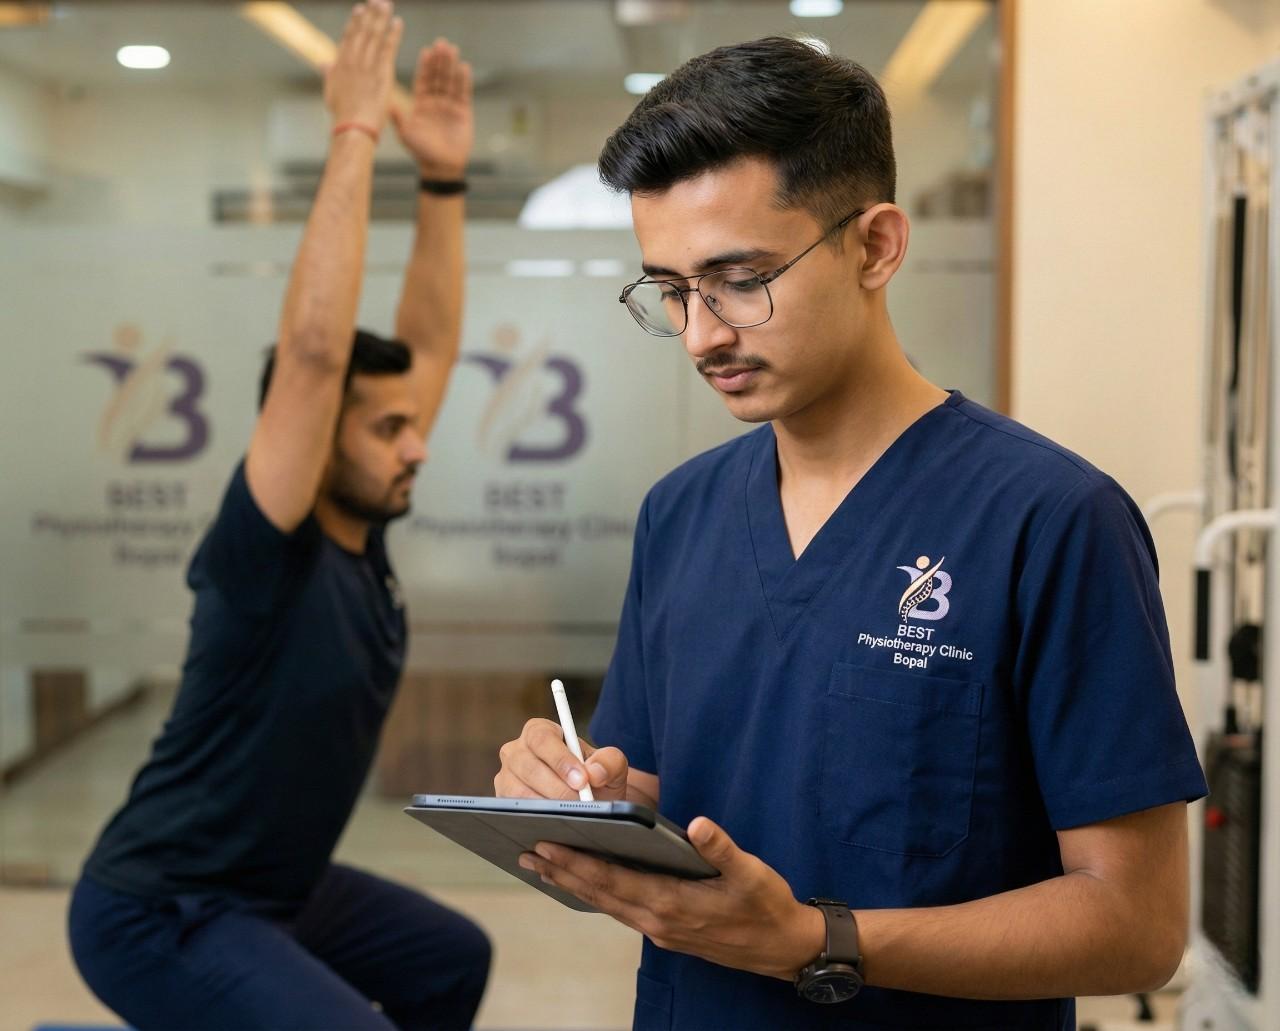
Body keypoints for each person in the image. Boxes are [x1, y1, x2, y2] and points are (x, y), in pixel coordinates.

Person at [495, 36, 1208, 1031]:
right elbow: (663, 800)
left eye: (740, 279)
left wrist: (816, 940)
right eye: (669, 290)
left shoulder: (1046, 520)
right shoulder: (680, 513)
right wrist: (576, 802)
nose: (700, 333)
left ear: (873, 245)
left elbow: (1133, 922)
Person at [68, 4, 488, 1028]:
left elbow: (426, 346)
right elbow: (310, 357)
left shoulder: (363, 529)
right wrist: (353, 132)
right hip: (160, 905)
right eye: (388, 427)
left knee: (449, 958)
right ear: (315, 436)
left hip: (278, 890)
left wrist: (439, 180)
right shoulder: (267, 549)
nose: (418, 441)